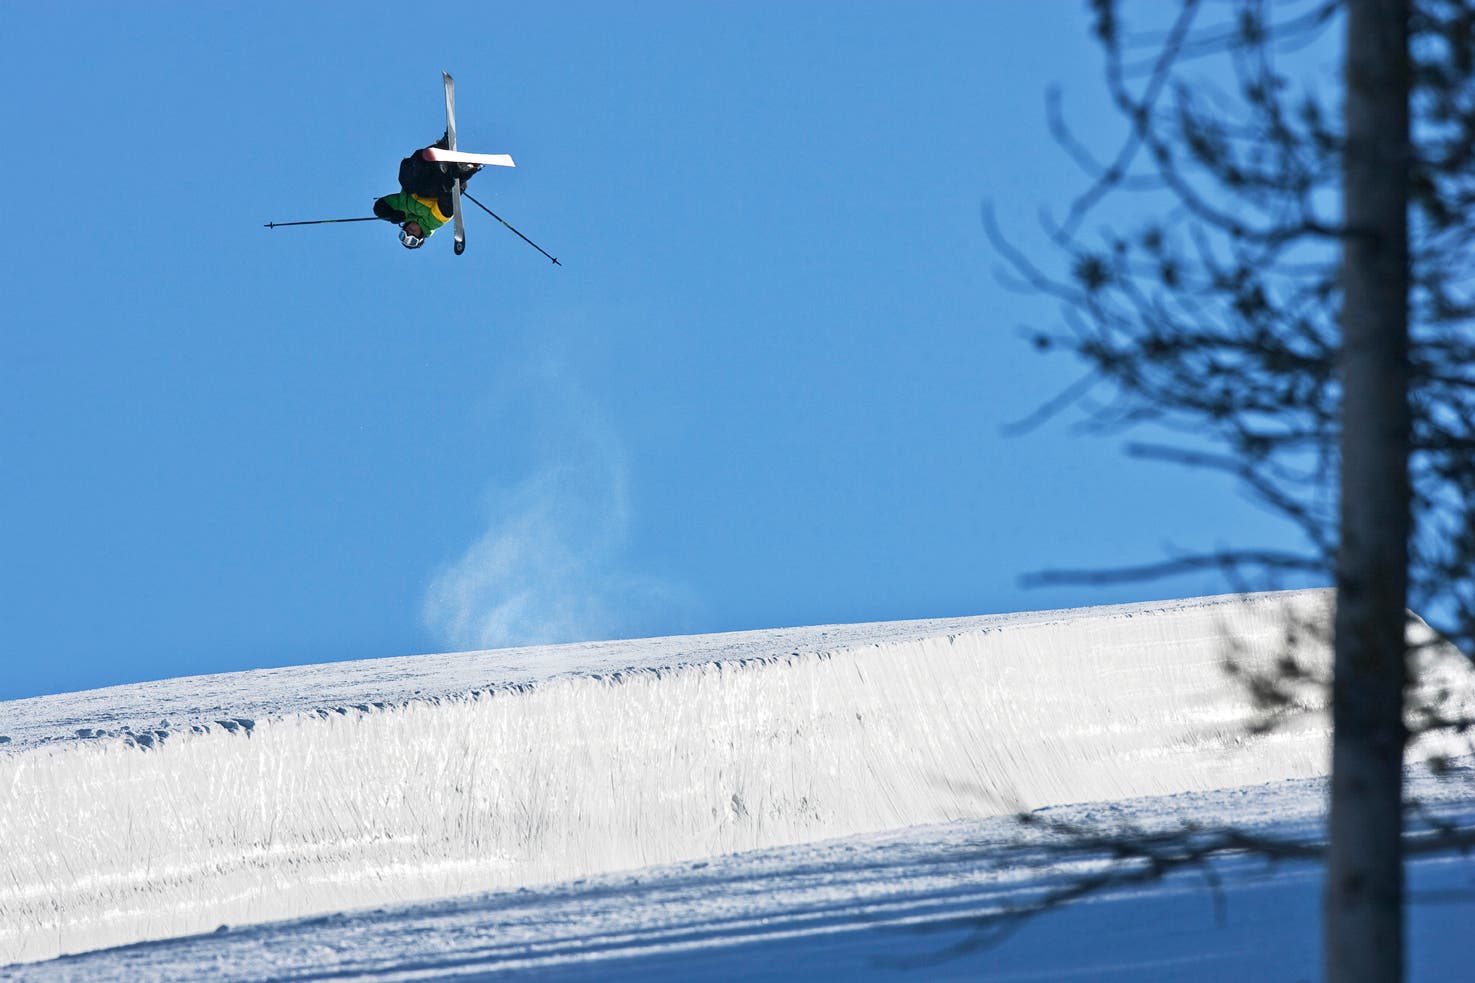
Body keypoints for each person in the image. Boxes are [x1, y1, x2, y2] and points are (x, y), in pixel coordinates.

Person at [373, 133, 481, 249]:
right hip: (443, 181)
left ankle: (441, 148)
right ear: (421, 237)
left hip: (425, 168)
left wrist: (390, 214)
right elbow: (446, 208)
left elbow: (380, 207)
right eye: (413, 239)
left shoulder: (403, 210)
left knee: (407, 184)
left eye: (403, 235)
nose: (409, 233)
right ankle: (463, 168)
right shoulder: (431, 223)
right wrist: (449, 187)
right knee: (444, 197)